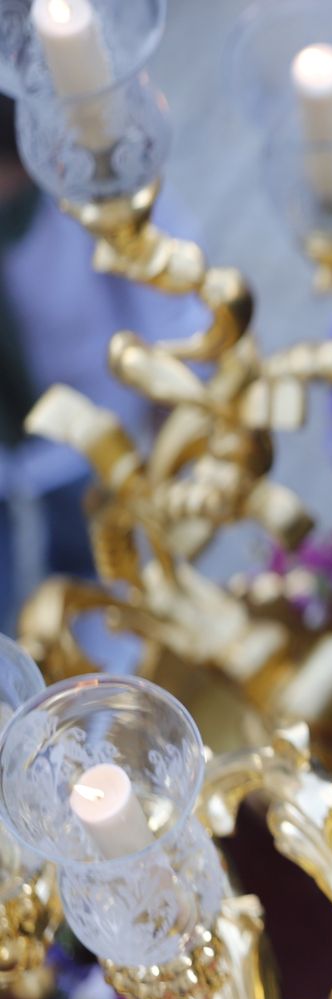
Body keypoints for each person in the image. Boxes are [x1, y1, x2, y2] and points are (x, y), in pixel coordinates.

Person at [0, 98, 204, 635]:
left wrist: (172, 403)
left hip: (80, 437)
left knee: (84, 560)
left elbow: (165, 302)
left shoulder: (79, 191)